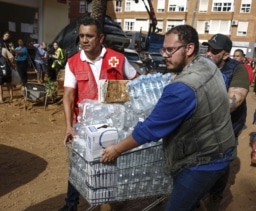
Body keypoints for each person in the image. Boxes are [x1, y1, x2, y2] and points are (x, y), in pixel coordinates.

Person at [101, 25, 236, 211]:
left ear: (189, 49)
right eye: (163, 49)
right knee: (193, 202)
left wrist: (116, 150)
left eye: (170, 50)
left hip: (201, 162)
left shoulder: (182, 88)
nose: (164, 55)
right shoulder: (208, 65)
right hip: (223, 149)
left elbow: (149, 130)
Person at [59, 16, 137, 211]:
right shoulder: (73, 63)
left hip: (113, 128)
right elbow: (68, 96)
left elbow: (137, 83)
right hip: (84, 127)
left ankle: (107, 204)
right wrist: (69, 126)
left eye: (89, 36)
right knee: (77, 166)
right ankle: (71, 205)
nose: (84, 40)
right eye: (81, 36)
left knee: (107, 169)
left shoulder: (118, 59)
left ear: (100, 38)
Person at [202, 34, 249, 146]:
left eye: (214, 51)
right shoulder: (202, 66)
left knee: (223, 157)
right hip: (203, 127)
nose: (208, 53)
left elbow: (234, 102)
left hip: (228, 127)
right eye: (208, 49)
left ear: (226, 55)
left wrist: (201, 114)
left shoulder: (237, 69)